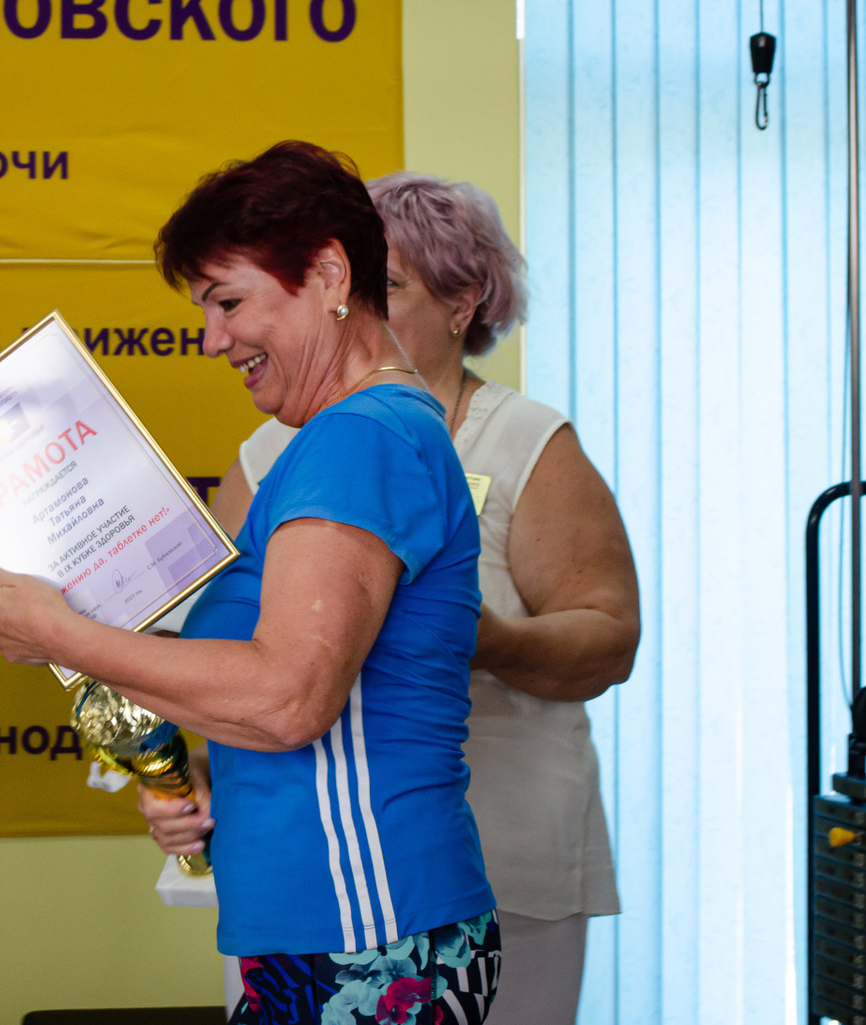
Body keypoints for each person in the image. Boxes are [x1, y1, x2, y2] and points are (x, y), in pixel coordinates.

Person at [0, 141, 499, 1025]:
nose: (213, 339)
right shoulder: (346, 435)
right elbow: (284, 700)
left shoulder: (360, 436)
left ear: (329, 274)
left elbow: (290, 698)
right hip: (331, 923)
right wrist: (204, 774)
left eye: (228, 301)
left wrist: (61, 635)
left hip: (365, 927)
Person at [196, 171, 637, 1025]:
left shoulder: (525, 441)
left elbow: (609, 638)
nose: (361, 300)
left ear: (464, 302)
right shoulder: (266, 452)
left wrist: (481, 637)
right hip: (309, 874)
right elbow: (237, 658)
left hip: (499, 841)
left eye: (388, 283)